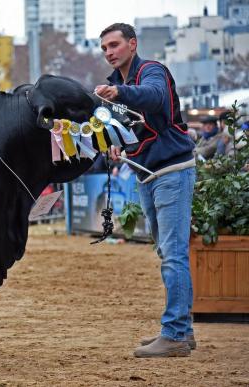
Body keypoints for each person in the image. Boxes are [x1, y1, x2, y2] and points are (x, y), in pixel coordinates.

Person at [95, 23, 196, 358]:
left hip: (171, 171)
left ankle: (175, 334)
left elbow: (154, 98)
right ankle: (184, 332)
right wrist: (116, 145)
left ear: (133, 44)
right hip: (148, 174)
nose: (109, 52)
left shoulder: (151, 71)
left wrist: (120, 94)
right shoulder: (117, 85)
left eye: (114, 45)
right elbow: (128, 129)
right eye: (104, 48)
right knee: (169, 254)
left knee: (173, 255)